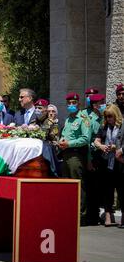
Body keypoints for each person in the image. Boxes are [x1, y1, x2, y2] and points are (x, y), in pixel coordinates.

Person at [58, 93, 91, 223]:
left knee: (78, 184)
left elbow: (85, 138)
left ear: (79, 104)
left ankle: (81, 215)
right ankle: (69, 212)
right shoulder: (68, 119)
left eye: (74, 103)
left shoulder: (83, 118)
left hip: (76, 155)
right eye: (69, 103)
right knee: (67, 184)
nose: (71, 105)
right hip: (66, 154)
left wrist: (69, 144)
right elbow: (66, 135)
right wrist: (61, 142)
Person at [94, 104, 123, 227]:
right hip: (106, 163)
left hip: (120, 161)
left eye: (110, 116)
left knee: (121, 190)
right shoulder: (104, 126)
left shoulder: (122, 126)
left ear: (116, 115)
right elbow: (96, 140)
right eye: (106, 117)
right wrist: (101, 146)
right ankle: (107, 215)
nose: (108, 119)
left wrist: (119, 149)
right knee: (107, 190)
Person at [84, 94, 107, 226]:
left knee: (99, 188)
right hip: (94, 156)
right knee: (92, 188)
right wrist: (89, 160)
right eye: (101, 102)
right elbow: (88, 141)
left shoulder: (103, 117)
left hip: (102, 155)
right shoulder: (90, 120)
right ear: (95, 105)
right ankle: (91, 216)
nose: (103, 104)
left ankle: (95, 214)